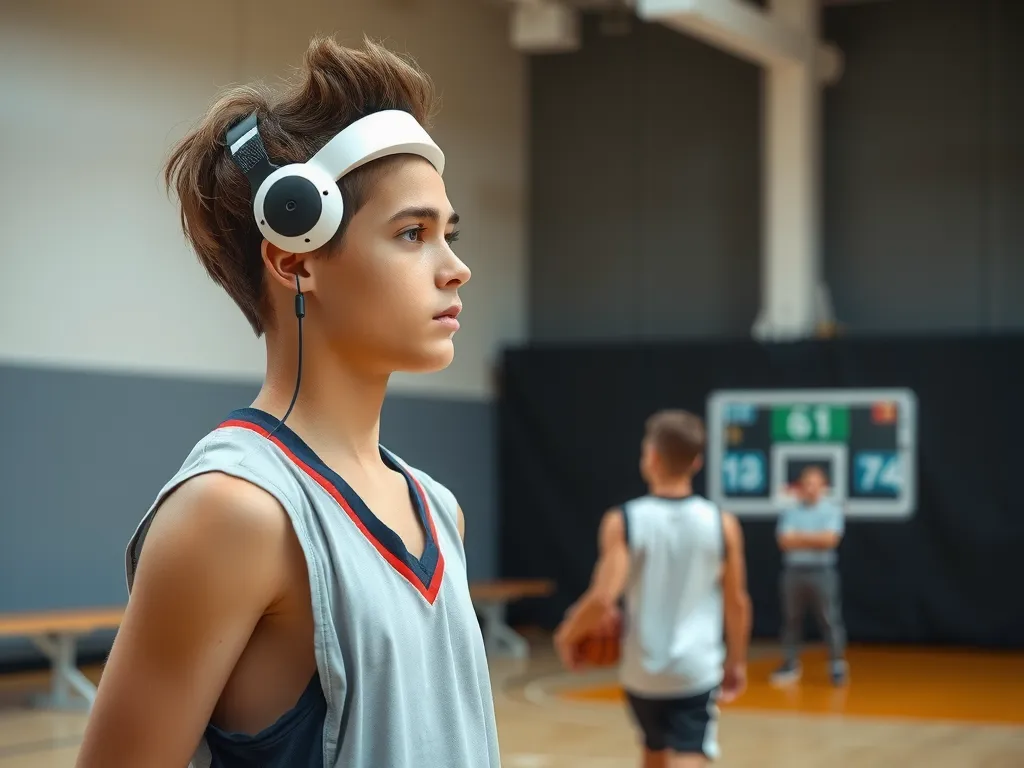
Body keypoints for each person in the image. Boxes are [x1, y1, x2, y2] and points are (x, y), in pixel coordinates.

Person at [75, 35, 500, 768]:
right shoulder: (233, 514)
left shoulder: (440, 510)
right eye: (413, 233)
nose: (455, 268)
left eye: (448, 234)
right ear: (295, 259)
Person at [554, 410, 752, 768]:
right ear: (697, 462)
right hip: (695, 670)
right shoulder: (722, 524)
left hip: (641, 672)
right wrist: (737, 660)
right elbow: (736, 601)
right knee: (690, 753)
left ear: (652, 457)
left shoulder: (623, 520)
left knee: (654, 752)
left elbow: (602, 598)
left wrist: (567, 635)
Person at [770, 465, 848, 687]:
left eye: (815, 484)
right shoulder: (790, 511)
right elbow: (784, 541)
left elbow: (830, 540)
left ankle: (836, 664)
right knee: (791, 619)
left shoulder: (832, 511)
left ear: (823, 486)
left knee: (829, 619)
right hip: (793, 573)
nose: (810, 488)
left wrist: (799, 538)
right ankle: (790, 663)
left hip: (823, 572)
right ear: (800, 487)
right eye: (806, 484)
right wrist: (814, 538)